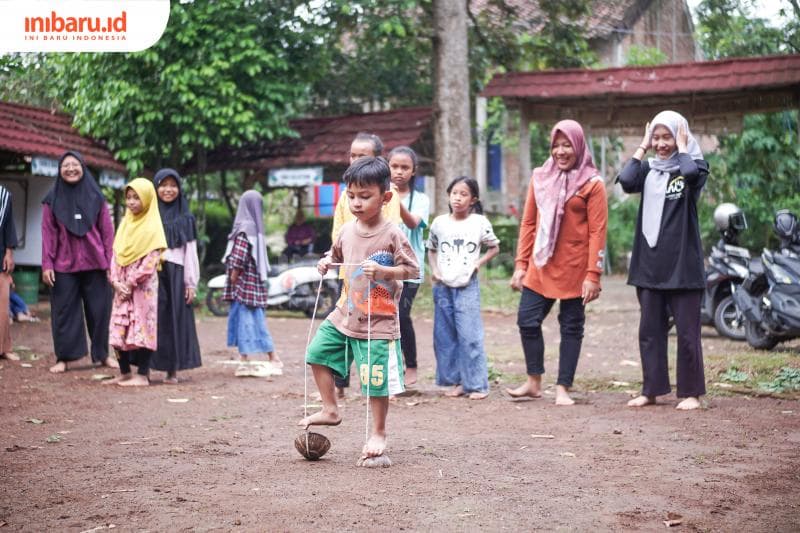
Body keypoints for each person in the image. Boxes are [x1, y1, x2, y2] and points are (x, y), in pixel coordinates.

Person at [300, 156, 418, 460]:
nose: (356, 202)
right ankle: (330, 409)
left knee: (375, 381)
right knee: (316, 354)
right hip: (345, 312)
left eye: (365, 196)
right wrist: (325, 261)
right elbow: (336, 253)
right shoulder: (347, 230)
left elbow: (412, 269)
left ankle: (378, 431)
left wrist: (385, 273)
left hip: (378, 321)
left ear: (385, 197)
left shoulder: (392, 233)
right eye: (351, 196)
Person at [505, 120, 608, 406]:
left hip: (576, 267)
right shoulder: (540, 177)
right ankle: (534, 381)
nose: (561, 151)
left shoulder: (592, 184)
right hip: (541, 263)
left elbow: (598, 231)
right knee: (527, 319)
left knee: (571, 326)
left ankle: (563, 387)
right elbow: (528, 222)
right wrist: (520, 264)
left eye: (567, 145)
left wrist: (593, 274)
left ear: (578, 146)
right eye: (556, 145)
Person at [617, 110, 709, 411]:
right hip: (649, 266)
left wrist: (682, 147)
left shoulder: (693, 167)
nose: (661, 143)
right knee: (650, 332)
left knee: (687, 334)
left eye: (666, 136)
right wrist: (642, 145)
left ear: (680, 135)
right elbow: (627, 180)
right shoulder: (648, 170)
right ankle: (651, 390)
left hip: (683, 265)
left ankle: (692, 393)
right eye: (656, 137)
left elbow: (692, 175)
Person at [331, 132, 402, 397]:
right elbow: (339, 230)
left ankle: (384, 385)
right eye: (353, 154)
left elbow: (387, 234)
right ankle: (339, 385)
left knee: (379, 331)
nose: (355, 159)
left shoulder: (386, 195)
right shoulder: (345, 195)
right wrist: (335, 257)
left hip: (378, 278)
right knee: (345, 326)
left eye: (362, 156)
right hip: (348, 273)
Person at [42, 151, 117, 373]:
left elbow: (107, 232)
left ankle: (102, 355)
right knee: (64, 312)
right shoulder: (51, 199)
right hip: (63, 265)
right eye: (66, 165)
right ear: (59, 170)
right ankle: (64, 358)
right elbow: (48, 233)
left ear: (83, 167)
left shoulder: (97, 197)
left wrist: (111, 263)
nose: (71, 169)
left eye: (75, 164)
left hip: (96, 263)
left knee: (100, 310)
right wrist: (47, 264)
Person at [427, 177, 499, 400]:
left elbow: (494, 247)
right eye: (454, 193)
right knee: (445, 336)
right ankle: (457, 382)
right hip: (443, 286)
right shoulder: (439, 223)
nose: (457, 198)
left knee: (470, 336)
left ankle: (477, 385)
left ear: (473, 199)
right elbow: (431, 249)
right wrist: (435, 270)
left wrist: (477, 264)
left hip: (467, 285)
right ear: (448, 195)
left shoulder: (479, 222)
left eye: (464, 194)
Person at [105, 178, 167, 386]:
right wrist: (115, 281)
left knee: (144, 326)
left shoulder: (153, 227)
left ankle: (142, 375)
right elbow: (115, 253)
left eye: (136, 198)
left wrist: (129, 283)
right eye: (129, 198)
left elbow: (150, 262)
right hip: (121, 286)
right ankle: (124, 372)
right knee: (118, 326)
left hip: (142, 288)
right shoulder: (125, 223)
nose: (131, 202)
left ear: (148, 199)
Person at [149, 169, 202, 384]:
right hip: (151, 273)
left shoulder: (186, 218)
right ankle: (147, 367)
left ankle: (172, 369)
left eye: (173, 185)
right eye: (163, 185)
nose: (168, 190)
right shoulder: (148, 215)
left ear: (179, 189)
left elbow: (190, 252)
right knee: (152, 320)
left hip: (176, 274)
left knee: (174, 321)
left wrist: (191, 282)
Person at [223, 190, 281, 377]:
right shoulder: (256, 227)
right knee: (255, 319)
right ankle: (249, 358)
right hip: (254, 284)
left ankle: (264, 358)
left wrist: (233, 274)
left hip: (242, 283)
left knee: (246, 320)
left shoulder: (244, 226)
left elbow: (239, 256)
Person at [388, 146, 430, 386]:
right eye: (394, 166)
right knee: (385, 317)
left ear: (414, 171)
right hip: (385, 268)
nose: (399, 172)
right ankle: (393, 367)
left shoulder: (421, 199)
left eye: (405, 168)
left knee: (402, 315)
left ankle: (411, 365)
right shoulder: (381, 196)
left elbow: (414, 223)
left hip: (410, 270)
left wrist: (395, 200)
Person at [0, 186, 18, 361]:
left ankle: (4, 348)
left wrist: (9, 253)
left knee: (2, 305)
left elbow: (9, 226)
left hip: (0, 257)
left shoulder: (3, 195)